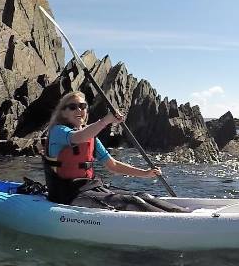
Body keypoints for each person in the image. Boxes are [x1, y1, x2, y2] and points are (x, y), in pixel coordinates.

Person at [42, 91, 186, 212]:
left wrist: (145, 173)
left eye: (82, 106)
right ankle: (179, 225)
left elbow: (112, 165)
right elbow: (79, 137)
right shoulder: (58, 131)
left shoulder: (91, 137)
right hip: (67, 194)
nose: (79, 110)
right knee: (132, 201)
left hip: (90, 187)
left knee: (144, 196)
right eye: (72, 107)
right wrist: (106, 120)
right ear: (63, 113)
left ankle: (183, 214)